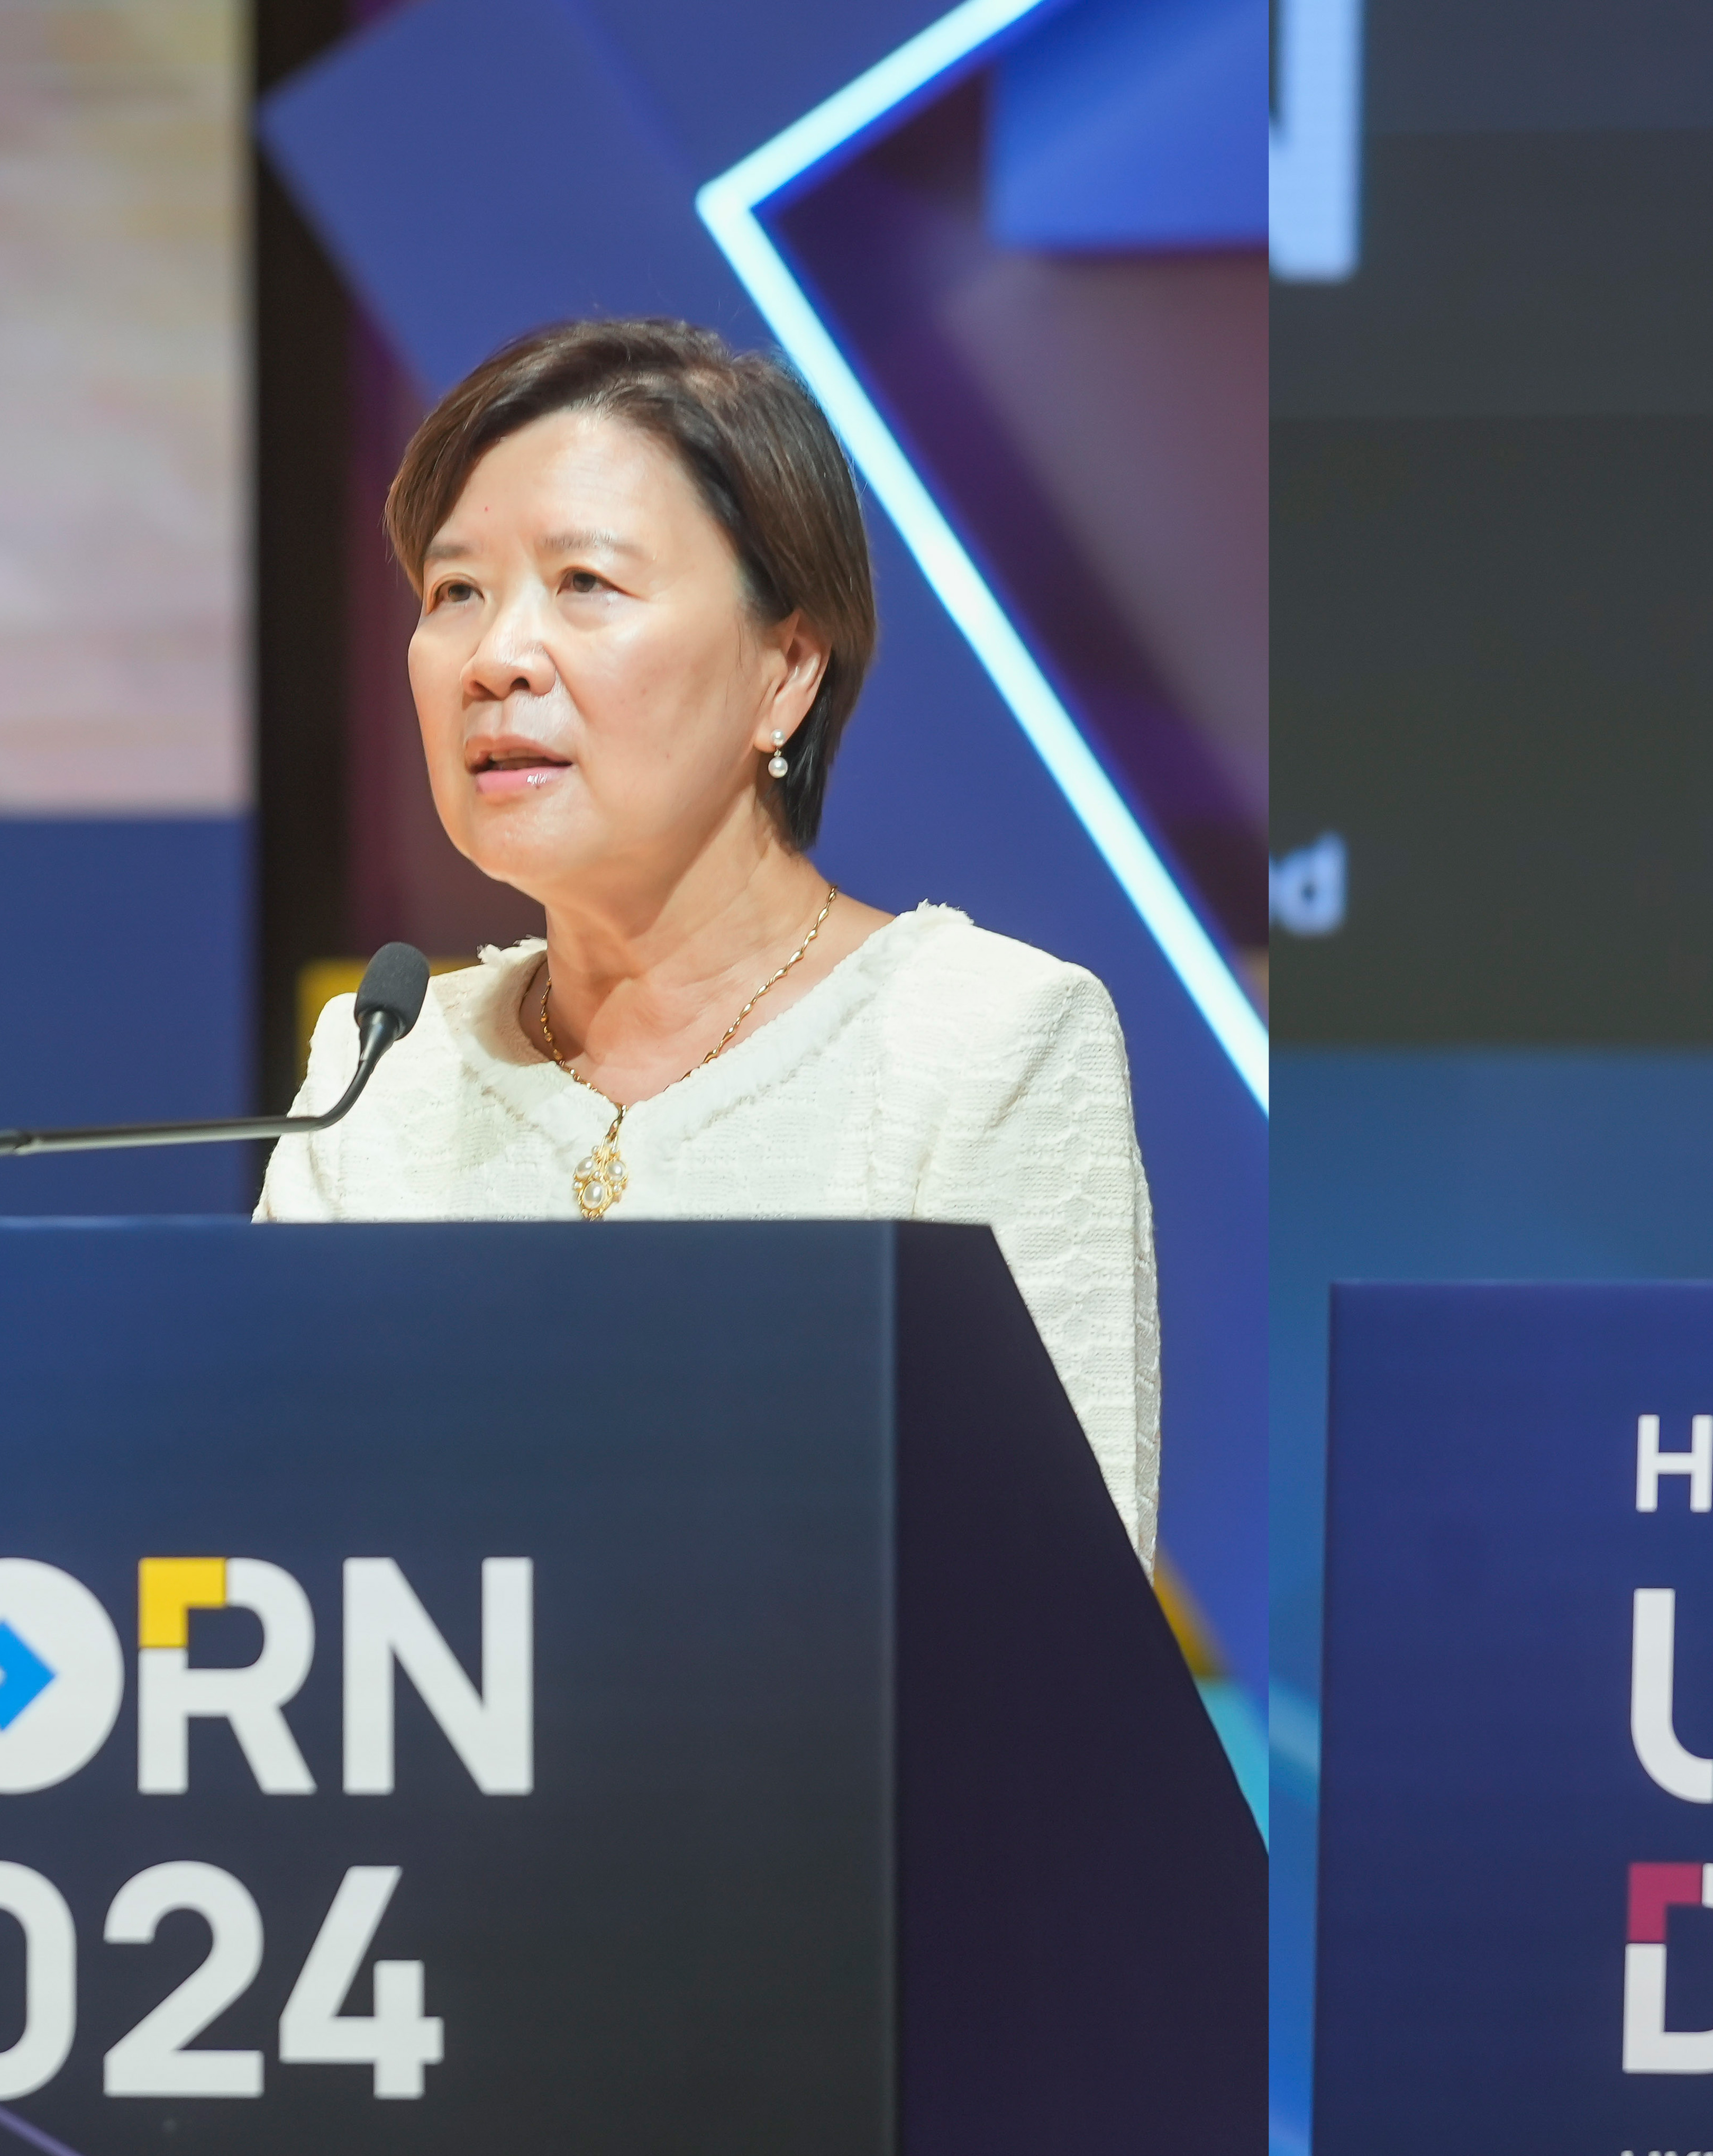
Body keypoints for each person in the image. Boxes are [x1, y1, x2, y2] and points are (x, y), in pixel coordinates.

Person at [260, 317, 1161, 1563]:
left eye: (585, 583)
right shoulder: (384, 1071)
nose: (495, 658)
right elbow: (279, 1555)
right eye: (455, 592)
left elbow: (1053, 1605)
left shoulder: (981, 1041)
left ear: (785, 670)